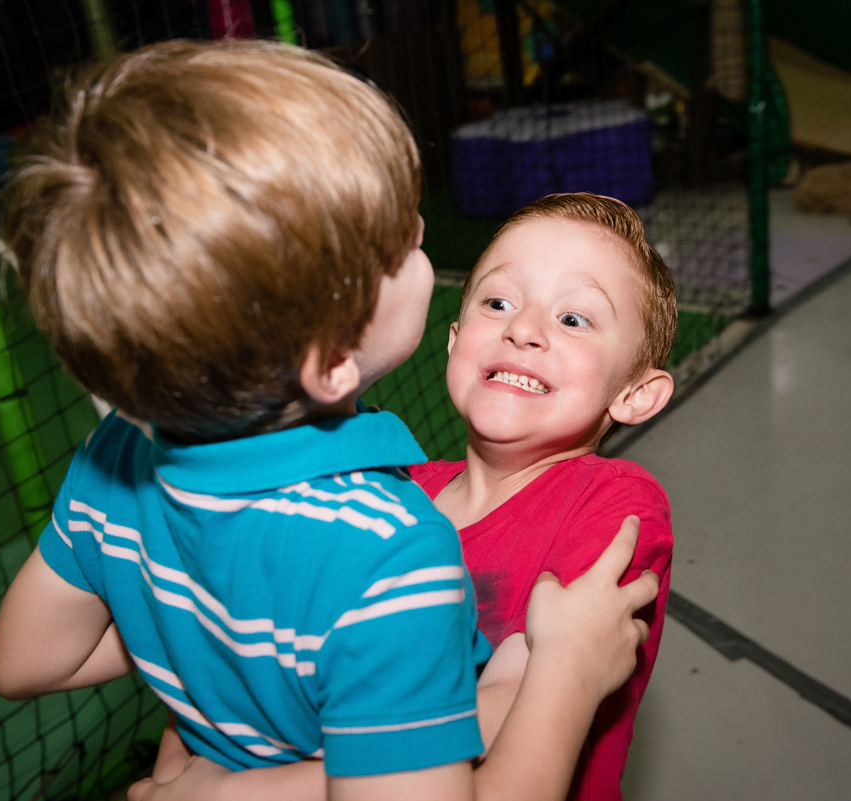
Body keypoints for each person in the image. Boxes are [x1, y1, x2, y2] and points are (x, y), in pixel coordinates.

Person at [0, 40, 658, 801]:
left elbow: (23, 662)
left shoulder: (115, 457)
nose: (420, 231)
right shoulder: (390, 551)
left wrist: (200, 628)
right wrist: (566, 669)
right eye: (399, 242)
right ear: (334, 359)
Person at [130, 192, 678, 801]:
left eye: (573, 319)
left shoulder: (613, 505)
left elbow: (502, 713)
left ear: (636, 394)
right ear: (455, 340)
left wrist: (240, 792)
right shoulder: (389, 492)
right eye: (498, 303)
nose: (522, 329)